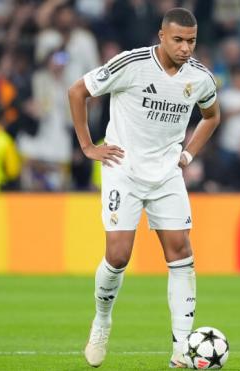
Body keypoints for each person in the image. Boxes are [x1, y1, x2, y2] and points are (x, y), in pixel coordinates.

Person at [67, 8, 221, 368]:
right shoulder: (131, 64)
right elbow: (78, 91)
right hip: (124, 169)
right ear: (162, 35)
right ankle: (102, 320)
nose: (185, 48)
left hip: (167, 173)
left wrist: (188, 156)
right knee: (118, 256)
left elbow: (212, 116)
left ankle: (182, 349)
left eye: (192, 41)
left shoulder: (200, 78)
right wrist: (88, 146)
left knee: (181, 251)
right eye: (179, 40)